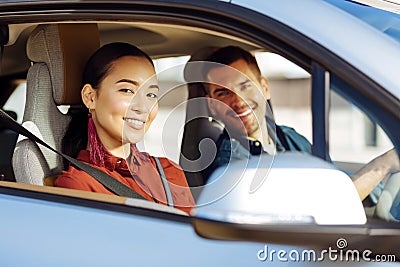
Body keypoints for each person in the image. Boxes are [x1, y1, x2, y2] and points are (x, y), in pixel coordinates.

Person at [202, 45, 399, 201]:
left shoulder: (287, 137)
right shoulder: (229, 167)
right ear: (212, 106)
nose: (238, 101)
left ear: (265, 88)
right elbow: (324, 211)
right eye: (223, 94)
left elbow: (335, 184)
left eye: (245, 86)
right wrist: (381, 166)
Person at [55, 42, 194, 213]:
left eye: (151, 94)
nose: (142, 107)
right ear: (90, 97)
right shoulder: (78, 185)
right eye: (127, 90)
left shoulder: (168, 172)